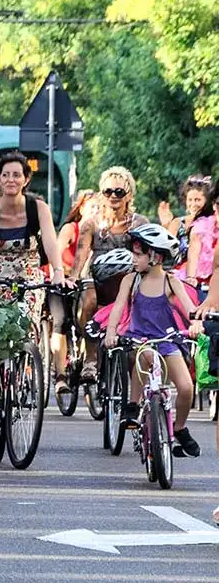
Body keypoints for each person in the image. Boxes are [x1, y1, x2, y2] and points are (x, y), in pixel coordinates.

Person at [0, 152, 66, 437]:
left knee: (23, 330)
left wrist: (58, 271)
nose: (11, 180)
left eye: (17, 175)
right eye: (6, 175)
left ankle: (22, 374)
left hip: (28, 278)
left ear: (26, 179)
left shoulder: (37, 208)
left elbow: (50, 242)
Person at [104, 223, 202, 458]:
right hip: (139, 340)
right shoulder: (131, 280)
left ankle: (179, 428)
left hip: (167, 340)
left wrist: (196, 323)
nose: (133, 259)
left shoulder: (171, 281)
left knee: (186, 387)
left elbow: (190, 309)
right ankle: (134, 404)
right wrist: (111, 331)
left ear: (156, 257)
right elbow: (118, 307)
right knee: (145, 354)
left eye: (138, 255)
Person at [70, 166, 148, 381]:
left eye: (119, 192)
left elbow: (148, 255)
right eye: (108, 191)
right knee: (89, 301)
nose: (113, 196)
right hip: (96, 276)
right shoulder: (91, 224)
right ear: (101, 194)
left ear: (129, 195)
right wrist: (72, 277)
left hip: (129, 278)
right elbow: (81, 254)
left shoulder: (139, 224)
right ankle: (91, 359)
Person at [48, 190, 99, 388]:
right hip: (64, 281)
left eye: (98, 207)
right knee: (61, 321)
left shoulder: (101, 229)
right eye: (91, 206)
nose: (95, 210)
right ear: (81, 208)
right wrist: (62, 273)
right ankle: (60, 376)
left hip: (87, 283)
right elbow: (58, 252)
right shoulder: (72, 228)